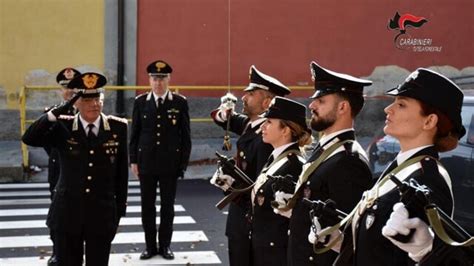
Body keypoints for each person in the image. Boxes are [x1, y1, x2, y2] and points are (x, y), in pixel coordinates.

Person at [328, 68, 466, 266]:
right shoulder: (400, 167)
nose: (388, 109)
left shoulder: (429, 180)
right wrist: (339, 240)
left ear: (429, 121)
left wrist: (424, 252)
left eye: (401, 104)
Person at [22, 72, 129, 266]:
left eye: (98, 98)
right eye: (87, 100)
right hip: (67, 214)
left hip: (101, 213)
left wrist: (118, 213)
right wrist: (54, 113)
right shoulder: (63, 125)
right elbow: (29, 138)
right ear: (76, 102)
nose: (95, 104)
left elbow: (121, 176)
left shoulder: (117, 128)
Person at [284, 61, 373, 266]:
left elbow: (349, 242)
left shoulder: (349, 161)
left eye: (321, 100)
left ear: (343, 107)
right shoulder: (326, 148)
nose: (312, 105)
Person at [210, 65, 291, 266]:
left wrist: (230, 184)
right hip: (240, 223)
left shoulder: (266, 138)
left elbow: (259, 190)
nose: (243, 98)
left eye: (251, 94)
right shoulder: (251, 124)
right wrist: (224, 111)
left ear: (267, 102)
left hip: (249, 225)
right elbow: (222, 118)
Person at [129, 60, 191, 260]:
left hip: (169, 164)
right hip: (146, 163)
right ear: (149, 80)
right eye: (155, 78)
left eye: (162, 79)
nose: (158, 83)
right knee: (147, 206)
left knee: (167, 207)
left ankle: (165, 246)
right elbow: (135, 135)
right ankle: (149, 246)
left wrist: (182, 164)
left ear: (169, 80)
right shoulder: (140, 102)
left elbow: (186, 137)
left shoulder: (180, 102)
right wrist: (133, 161)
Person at [251, 96, 312, 266]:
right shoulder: (276, 158)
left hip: (277, 254)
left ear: (285, 130)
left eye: (269, 122)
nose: (263, 126)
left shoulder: (294, 165)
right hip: (264, 249)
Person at [43, 67, 81, 266]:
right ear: (60, 90)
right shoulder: (51, 113)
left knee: (79, 211)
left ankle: (76, 251)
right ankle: (57, 251)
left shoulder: (86, 112)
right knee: (57, 212)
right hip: (58, 169)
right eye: (65, 87)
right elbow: (45, 141)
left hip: (81, 171)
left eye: (73, 87)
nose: (69, 91)